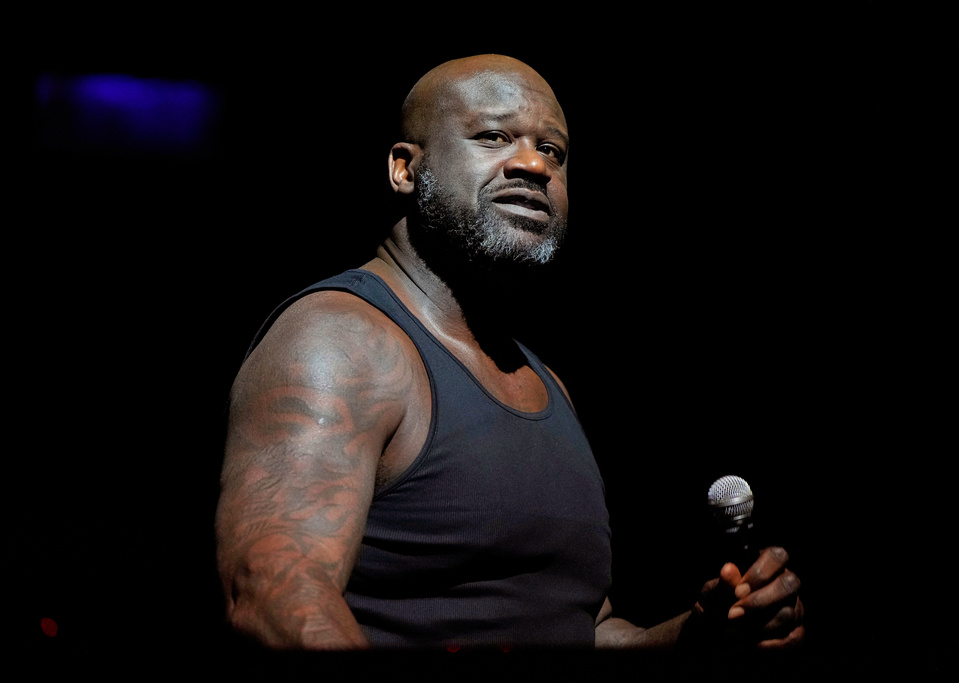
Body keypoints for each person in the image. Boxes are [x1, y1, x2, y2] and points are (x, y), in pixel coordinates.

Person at [215, 54, 804, 652]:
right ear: (403, 169)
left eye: (554, 151)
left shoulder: (545, 383)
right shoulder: (342, 339)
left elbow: (584, 630)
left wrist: (700, 636)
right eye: (493, 137)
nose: (532, 164)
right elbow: (274, 594)